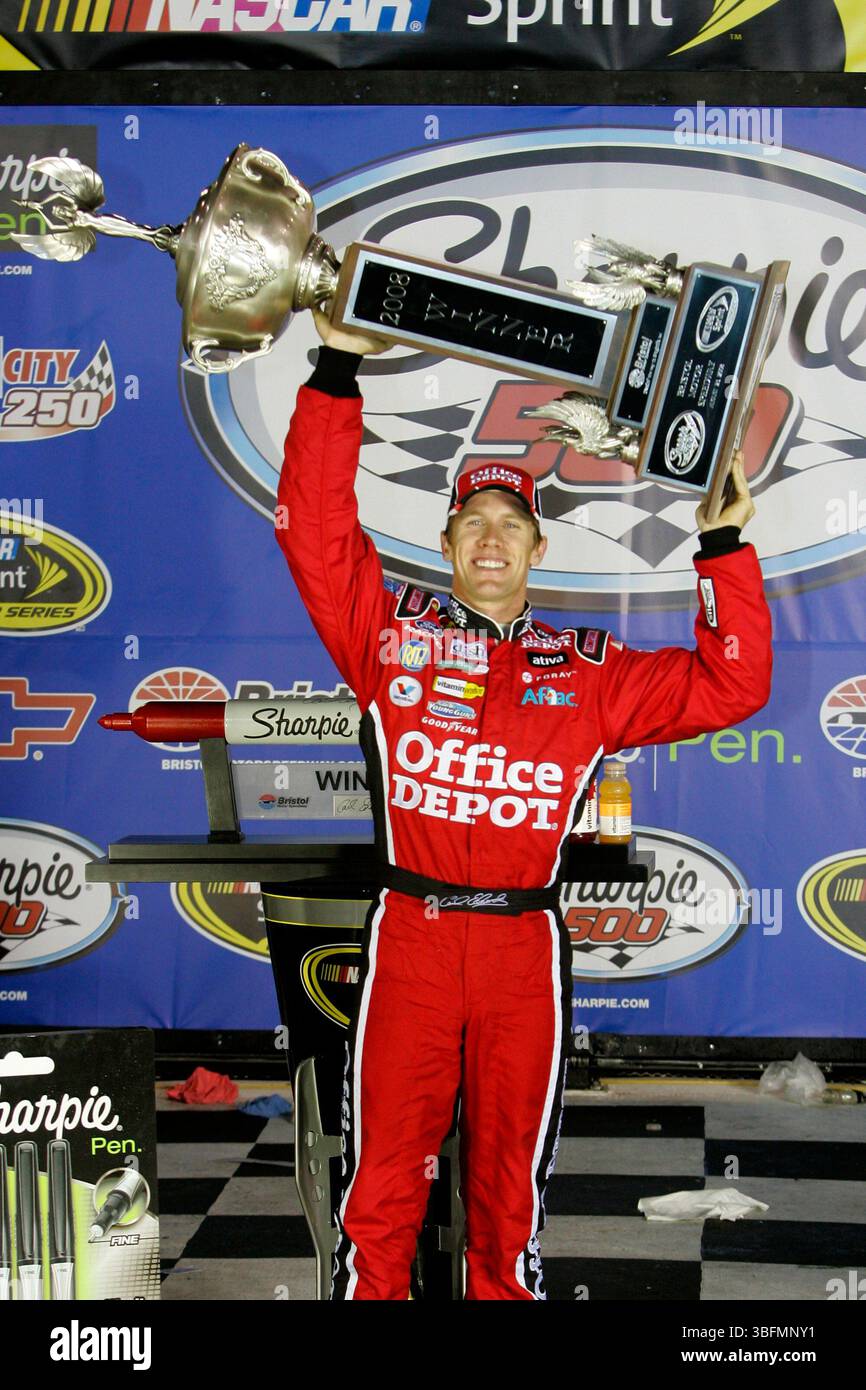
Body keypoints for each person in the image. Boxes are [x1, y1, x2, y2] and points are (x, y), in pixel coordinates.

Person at [275, 310, 773, 1301]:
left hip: (519, 949)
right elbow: (319, 534)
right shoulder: (390, 638)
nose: (490, 537)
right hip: (410, 934)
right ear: (449, 542)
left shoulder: (588, 670)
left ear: (536, 547)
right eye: (472, 523)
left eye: (509, 523)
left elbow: (731, 684)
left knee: (506, 1203)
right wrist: (335, 371)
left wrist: (718, 546)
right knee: (377, 1196)